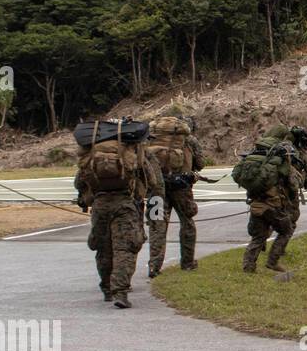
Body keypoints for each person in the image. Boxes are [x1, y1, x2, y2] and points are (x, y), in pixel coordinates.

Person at [74, 120, 164, 309]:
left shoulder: (91, 151)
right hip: (125, 205)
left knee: (103, 248)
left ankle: (106, 288)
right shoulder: (132, 151)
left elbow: (79, 182)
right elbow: (153, 180)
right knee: (125, 249)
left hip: (99, 206)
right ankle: (120, 292)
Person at [239, 125, 307, 274]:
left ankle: (248, 267)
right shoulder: (283, 157)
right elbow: (297, 182)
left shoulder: (258, 154)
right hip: (274, 203)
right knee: (286, 229)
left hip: (256, 202)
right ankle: (272, 261)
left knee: (258, 236)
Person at [146, 111, 208, 277]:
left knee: (157, 225)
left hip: (157, 188)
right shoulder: (188, 140)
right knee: (187, 222)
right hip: (182, 188)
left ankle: (154, 266)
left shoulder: (152, 137)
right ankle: (187, 263)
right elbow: (201, 163)